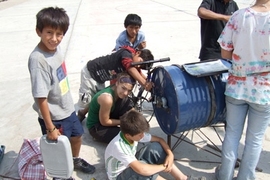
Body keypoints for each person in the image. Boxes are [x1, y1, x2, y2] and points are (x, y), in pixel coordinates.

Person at [28, 7, 95, 179]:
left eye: (59, 34)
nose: (54, 39)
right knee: (58, 151)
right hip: (55, 117)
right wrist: (50, 128)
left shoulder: (55, 49)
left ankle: (74, 160)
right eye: (49, 32)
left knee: (77, 135)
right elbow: (40, 97)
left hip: (67, 108)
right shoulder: (38, 60)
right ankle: (62, 175)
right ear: (39, 31)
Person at [215, 1, 270, 179]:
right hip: (264, 91)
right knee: (254, 140)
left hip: (236, 87)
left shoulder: (239, 16)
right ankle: (245, 177)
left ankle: (224, 175)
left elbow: (224, 53)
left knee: (232, 133)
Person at [105, 110, 206, 180]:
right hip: (119, 176)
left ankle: (183, 178)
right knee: (143, 172)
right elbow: (141, 169)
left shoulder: (134, 133)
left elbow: (160, 140)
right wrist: (164, 166)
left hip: (131, 163)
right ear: (128, 135)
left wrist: (170, 155)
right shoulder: (119, 146)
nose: (143, 136)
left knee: (156, 148)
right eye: (140, 135)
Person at [77, 46, 154, 121]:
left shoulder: (134, 63)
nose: (138, 65)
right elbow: (131, 69)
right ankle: (80, 114)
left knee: (98, 100)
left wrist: (150, 84)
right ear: (138, 53)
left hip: (100, 79)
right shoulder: (126, 53)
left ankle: (82, 113)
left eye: (141, 66)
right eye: (140, 62)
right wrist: (144, 84)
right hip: (90, 73)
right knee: (86, 100)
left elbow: (138, 73)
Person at [87, 73, 136, 143]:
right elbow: (104, 122)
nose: (125, 93)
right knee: (129, 136)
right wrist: (125, 122)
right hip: (96, 126)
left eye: (129, 90)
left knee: (128, 104)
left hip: (109, 115)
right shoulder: (107, 98)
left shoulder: (117, 92)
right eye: (123, 88)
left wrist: (135, 119)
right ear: (117, 83)